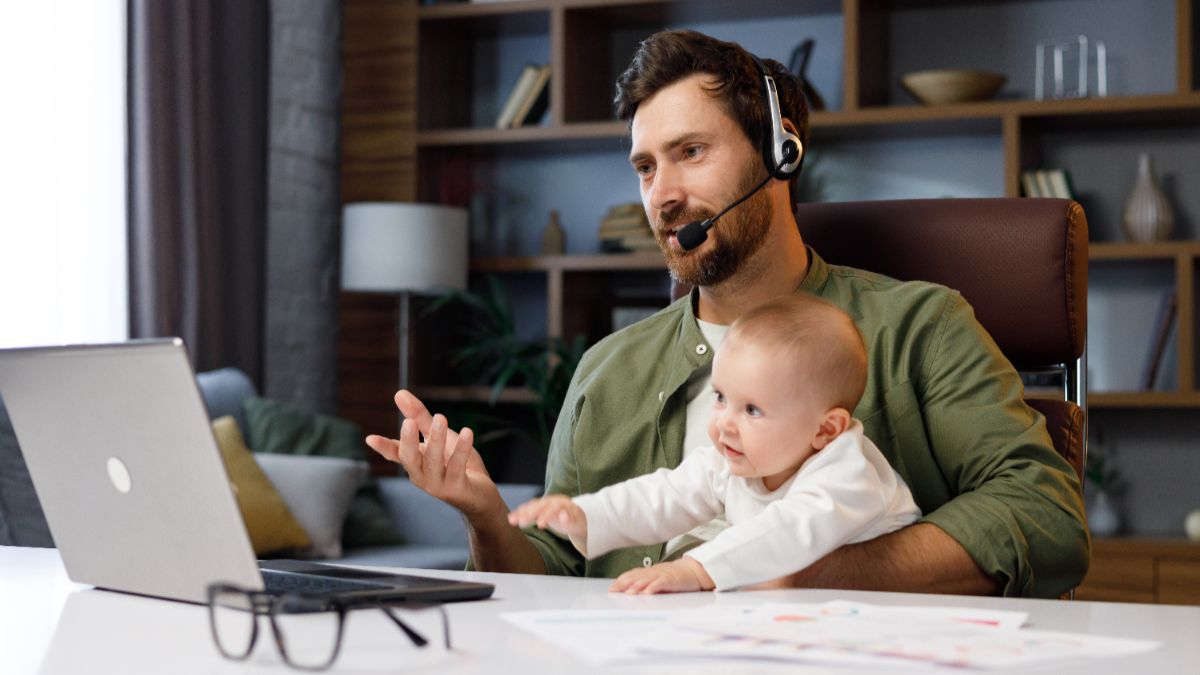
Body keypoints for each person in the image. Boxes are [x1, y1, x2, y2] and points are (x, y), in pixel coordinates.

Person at [366, 29, 1089, 598]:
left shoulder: (920, 327)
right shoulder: (607, 369)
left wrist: (788, 573)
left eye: (691, 151)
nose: (663, 195)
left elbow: (1044, 516)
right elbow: (550, 578)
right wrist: (486, 515)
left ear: (782, 153)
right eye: (646, 167)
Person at [506, 294, 921, 594]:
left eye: (753, 410)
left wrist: (697, 569)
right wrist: (586, 515)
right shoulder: (735, 458)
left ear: (826, 430)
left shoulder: (847, 474)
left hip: (889, 613)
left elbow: (785, 534)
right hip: (803, 610)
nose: (724, 423)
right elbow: (665, 495)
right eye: (720, 398)